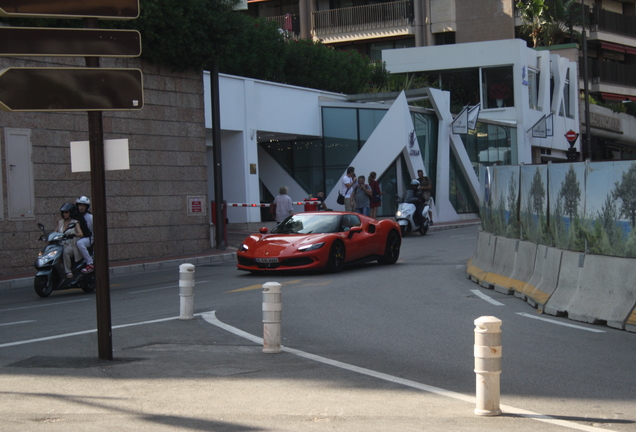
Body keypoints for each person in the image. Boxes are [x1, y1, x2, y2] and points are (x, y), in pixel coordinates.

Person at [56, 202, 83, 278]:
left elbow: (81, 233)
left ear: (71, 213)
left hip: (71, 245)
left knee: (66, 252)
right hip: (61, 244)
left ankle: (68, 272)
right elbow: (55, 232)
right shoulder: (60, 222)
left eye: (66, 212)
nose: (64, 214)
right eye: (63, 212)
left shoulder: (75, 222)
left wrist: (74, 235)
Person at [75, 196, 94, 274]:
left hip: (89, 238)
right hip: (78, 237)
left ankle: (90, 263)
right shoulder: (75, 216)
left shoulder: (90, 217)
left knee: (80, 243)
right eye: (80, 205)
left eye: (83, 206)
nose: (81, 208)